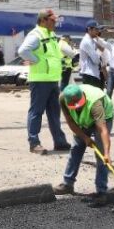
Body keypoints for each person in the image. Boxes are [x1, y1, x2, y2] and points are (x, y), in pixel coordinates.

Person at [16, 10, 71, 155]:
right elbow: (23, 50)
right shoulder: (36, 35)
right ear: (43, 20)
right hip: (40, 80)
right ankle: (34, 143)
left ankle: (59, 142)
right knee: (36, 112)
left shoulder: (51, 34)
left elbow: (54, 54)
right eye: (52, 21)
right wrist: (37, 61)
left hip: (52, 79)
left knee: (54, 113)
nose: (55, 23)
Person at [52, 83, 114, 207]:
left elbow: (103, 130)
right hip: (82, 121)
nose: (76, 107)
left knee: (101, 156)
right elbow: (70, 121)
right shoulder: (63, 98)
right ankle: (67, 184)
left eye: (78, 104)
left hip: (103, 119)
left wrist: (107, 154)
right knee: (76, 148)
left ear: (83, 97)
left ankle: (101, 192)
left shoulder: (95, 104)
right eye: (73, 105)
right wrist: (85, 137)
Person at [77, 21, 107, 90]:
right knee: (91, 98)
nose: (98, 32)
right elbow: (96, 60)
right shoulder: (87, 41)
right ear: (89, 29)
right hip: (89, 74)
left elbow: (103, 49)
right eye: (96, 29)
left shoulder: (92, 40)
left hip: (94, 73)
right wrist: (100, 58)